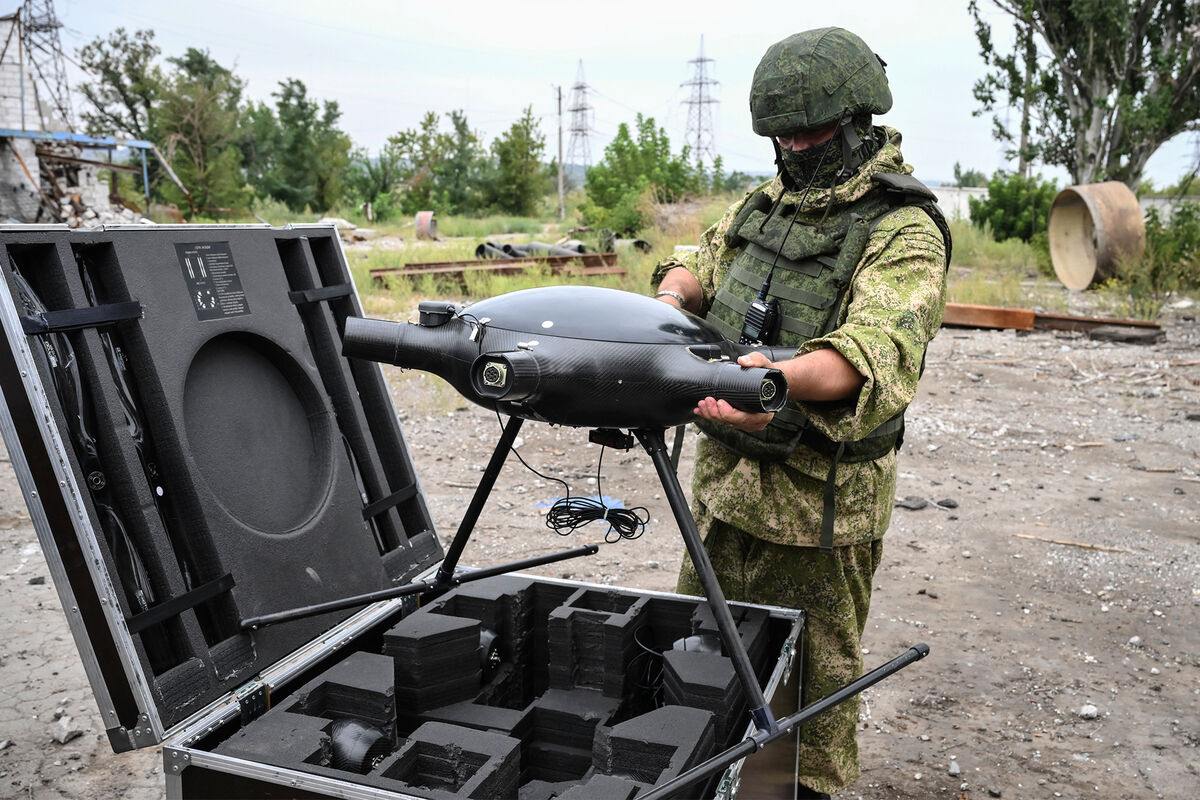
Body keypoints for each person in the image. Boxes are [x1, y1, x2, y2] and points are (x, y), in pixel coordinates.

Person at [651, 27, 951, 798]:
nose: (791, 146)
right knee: (693, 675)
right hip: (720, 497)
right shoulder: (765, 206)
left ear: (856, 121)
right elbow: (698, 259)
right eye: (779, 135)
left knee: (809, 715)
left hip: (816, 520)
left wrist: (773, 379)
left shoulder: (902, 230)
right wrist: (673, 299)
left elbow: (870, 351)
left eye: (808, 131)